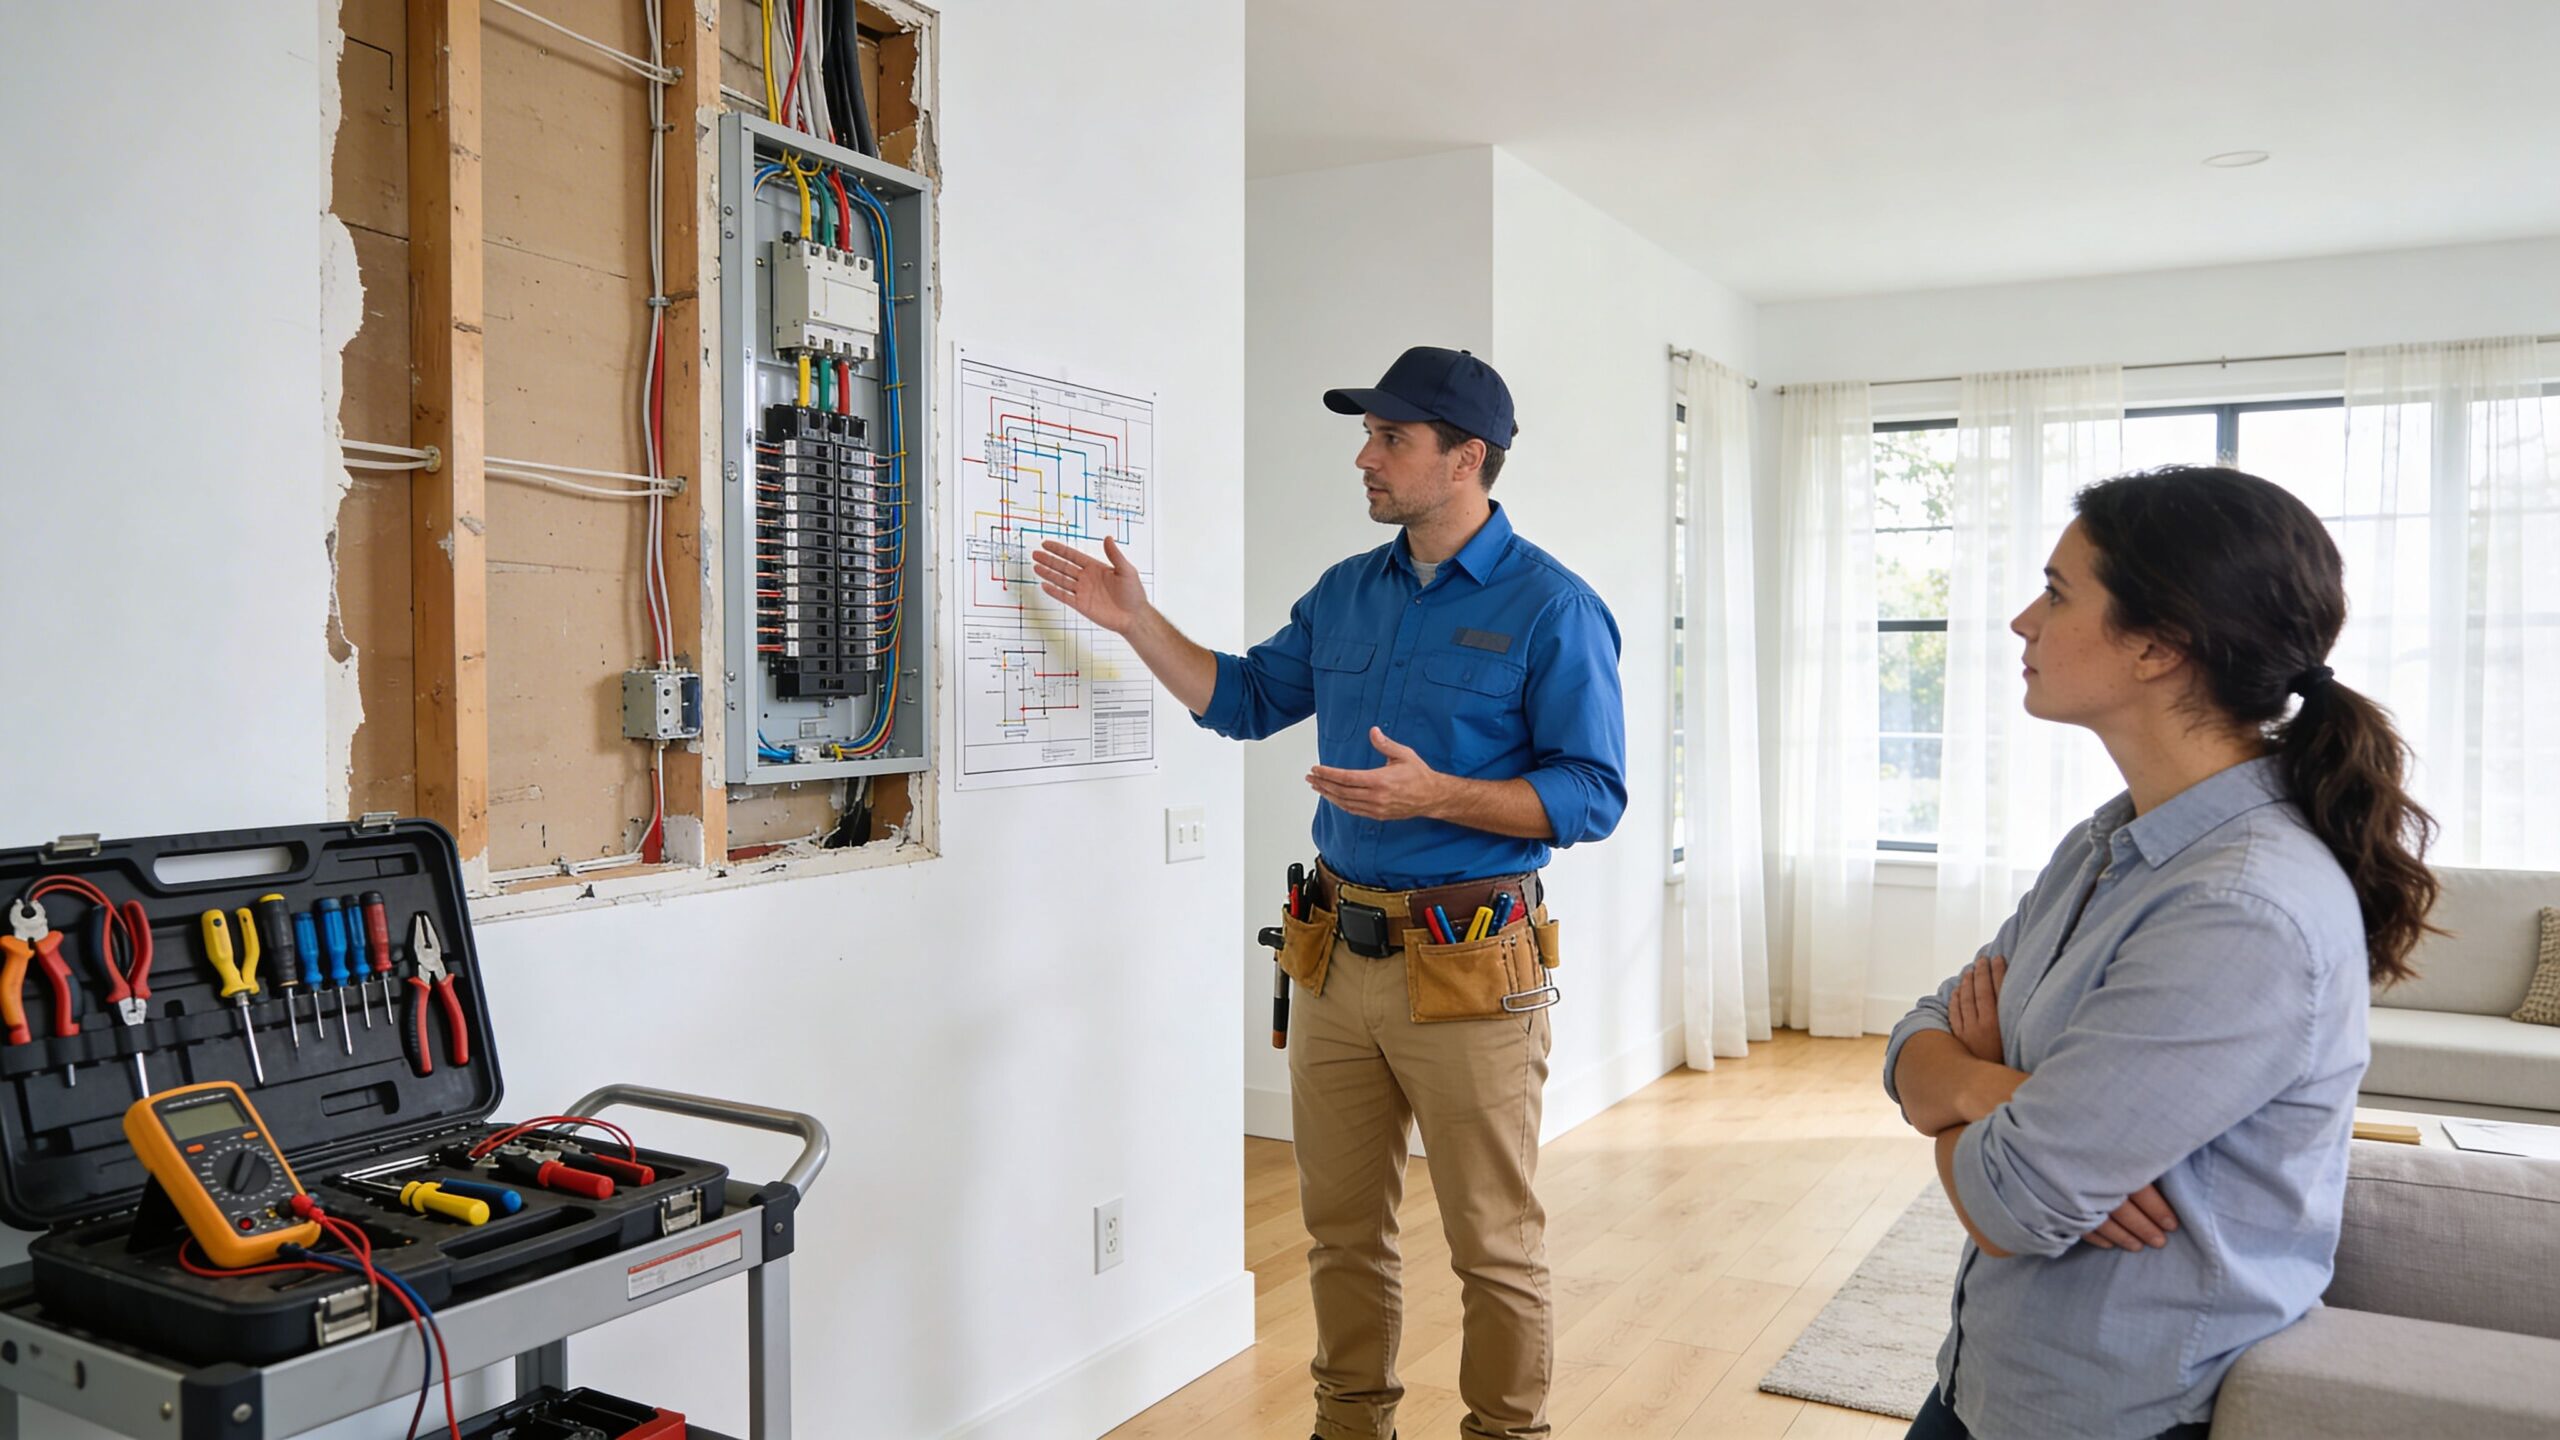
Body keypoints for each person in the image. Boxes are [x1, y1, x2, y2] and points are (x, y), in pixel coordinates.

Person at [1031, 346, 1626, 1440]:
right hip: (1334, 962)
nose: (1365, 456)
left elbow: (1591, 796)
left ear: (1466, 458)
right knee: (1341, 1232)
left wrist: (1436, 795)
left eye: (1391, 438)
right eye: (1368, 435)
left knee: (1491, 1243)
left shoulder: (1554, 609)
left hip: (1470, 971)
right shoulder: (1348, 592)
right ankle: (1348, 1428)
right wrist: (1137, 623)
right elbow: (1247, 699)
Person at [1883, 465, 2439, 1440]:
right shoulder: (2109, 840)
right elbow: (1913, 1045)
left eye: (2056, 594)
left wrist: (1971, 1085)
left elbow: (2006, 1204)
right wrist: (1992, 1094)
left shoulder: (2240, 909)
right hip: (1986, 1380)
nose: (2022, 621)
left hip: (2113, 1413)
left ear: (2157, 646)